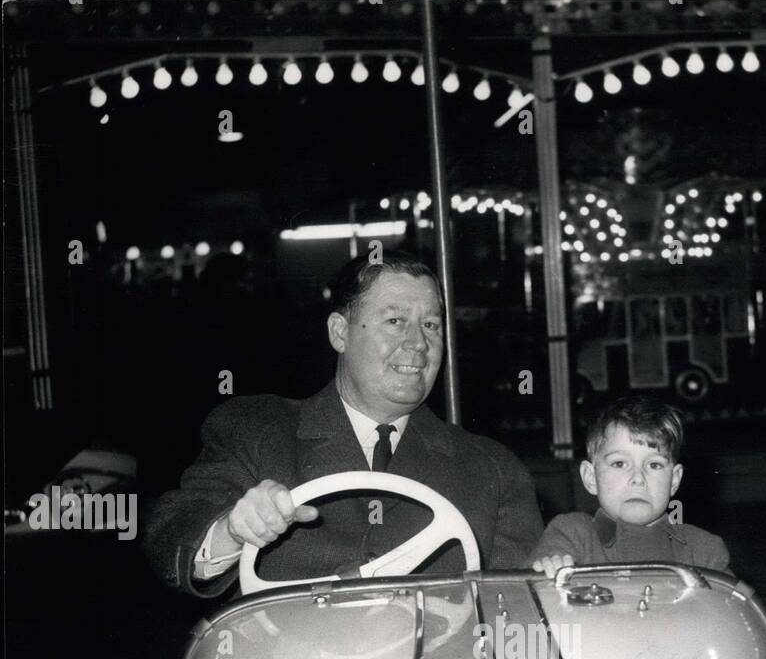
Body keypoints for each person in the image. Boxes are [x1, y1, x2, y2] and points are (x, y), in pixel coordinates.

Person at [144, 251, 543, 596]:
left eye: (431, 325)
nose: (419, 344)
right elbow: (171, 537)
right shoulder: (256, 430)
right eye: (395, 321)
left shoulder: (491, 467)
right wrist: (232, 529)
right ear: (339, 332)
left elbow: (520, 603)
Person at [531, 396, 730, 576]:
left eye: (654, 465)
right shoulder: (572, 535)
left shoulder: (704, 551)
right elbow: (523, 592)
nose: (638, 478)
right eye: (619, 464)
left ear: (674, 480)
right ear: (591, 478)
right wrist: (548, 566)